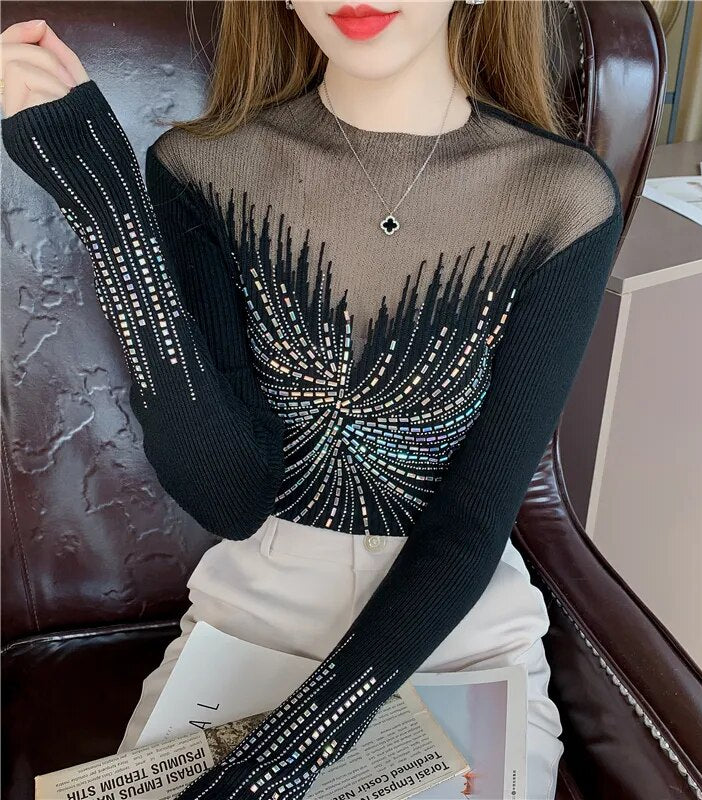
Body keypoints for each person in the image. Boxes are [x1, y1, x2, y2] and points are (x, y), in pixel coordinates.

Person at [0, 2, 622, 798]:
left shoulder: (560, 198)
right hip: (252, 620)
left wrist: (278, 764)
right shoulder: (203, 169)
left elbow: (472, 523)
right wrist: (111, 213)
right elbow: (229, 498)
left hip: (453, 629)